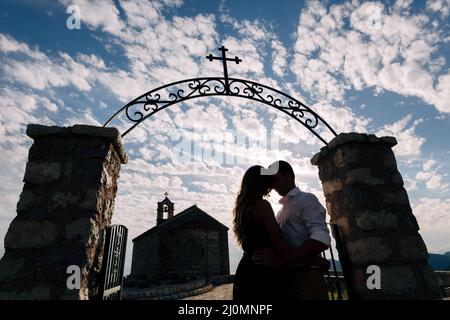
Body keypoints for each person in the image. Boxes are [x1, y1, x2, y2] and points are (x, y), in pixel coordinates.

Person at [232, 165, 329, 301]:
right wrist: (317, 261)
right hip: (262, 274)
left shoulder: (244, 209)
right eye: (268, 179)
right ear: (261, 183)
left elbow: (321, 238)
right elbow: (281, 246)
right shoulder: (265, 207)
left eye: (273, 178)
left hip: (251, 272)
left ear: (287, 175)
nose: (271, 184)